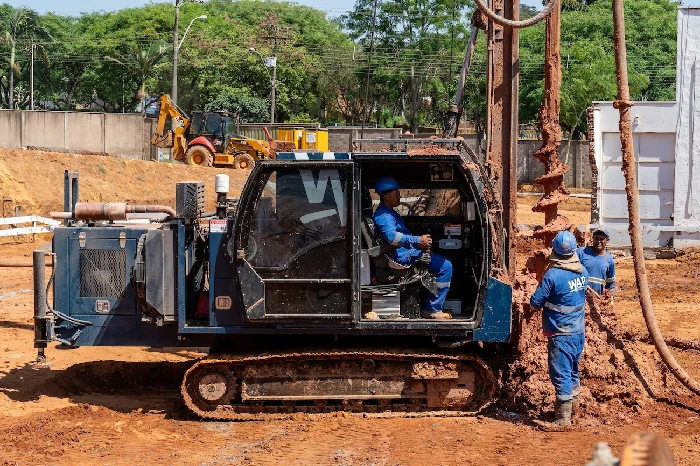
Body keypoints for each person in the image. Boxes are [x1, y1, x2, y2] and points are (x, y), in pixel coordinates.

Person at [530, 230, 589, 430]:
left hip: (560, 333)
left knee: (561, 373)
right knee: (572, 371)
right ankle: (574, 411)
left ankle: (563, 420)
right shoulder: (583, 272)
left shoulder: (553, 275)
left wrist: (532, 306)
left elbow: (536, 302)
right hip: (578, 332)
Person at [373, 176, 453, 320]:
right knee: (446, 266)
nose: (399, 195)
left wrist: (420, 244)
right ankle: (432, 309)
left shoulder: (389, 212)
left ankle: (433, 306)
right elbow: (392, 238)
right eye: (396, 193)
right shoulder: (383, 215)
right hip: (402, 258)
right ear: (387, 196)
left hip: (407, 253)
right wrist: (418, 241)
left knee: (444, 261)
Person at [576, 226, 616, 298]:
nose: (599, 241)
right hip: (579, 299)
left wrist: (610, 298)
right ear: (592, 238)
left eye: (602, 239)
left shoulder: (609, 259)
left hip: (596, 301)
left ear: (607, 240)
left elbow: (611, 284)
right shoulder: (581, 252)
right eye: (596, 238)